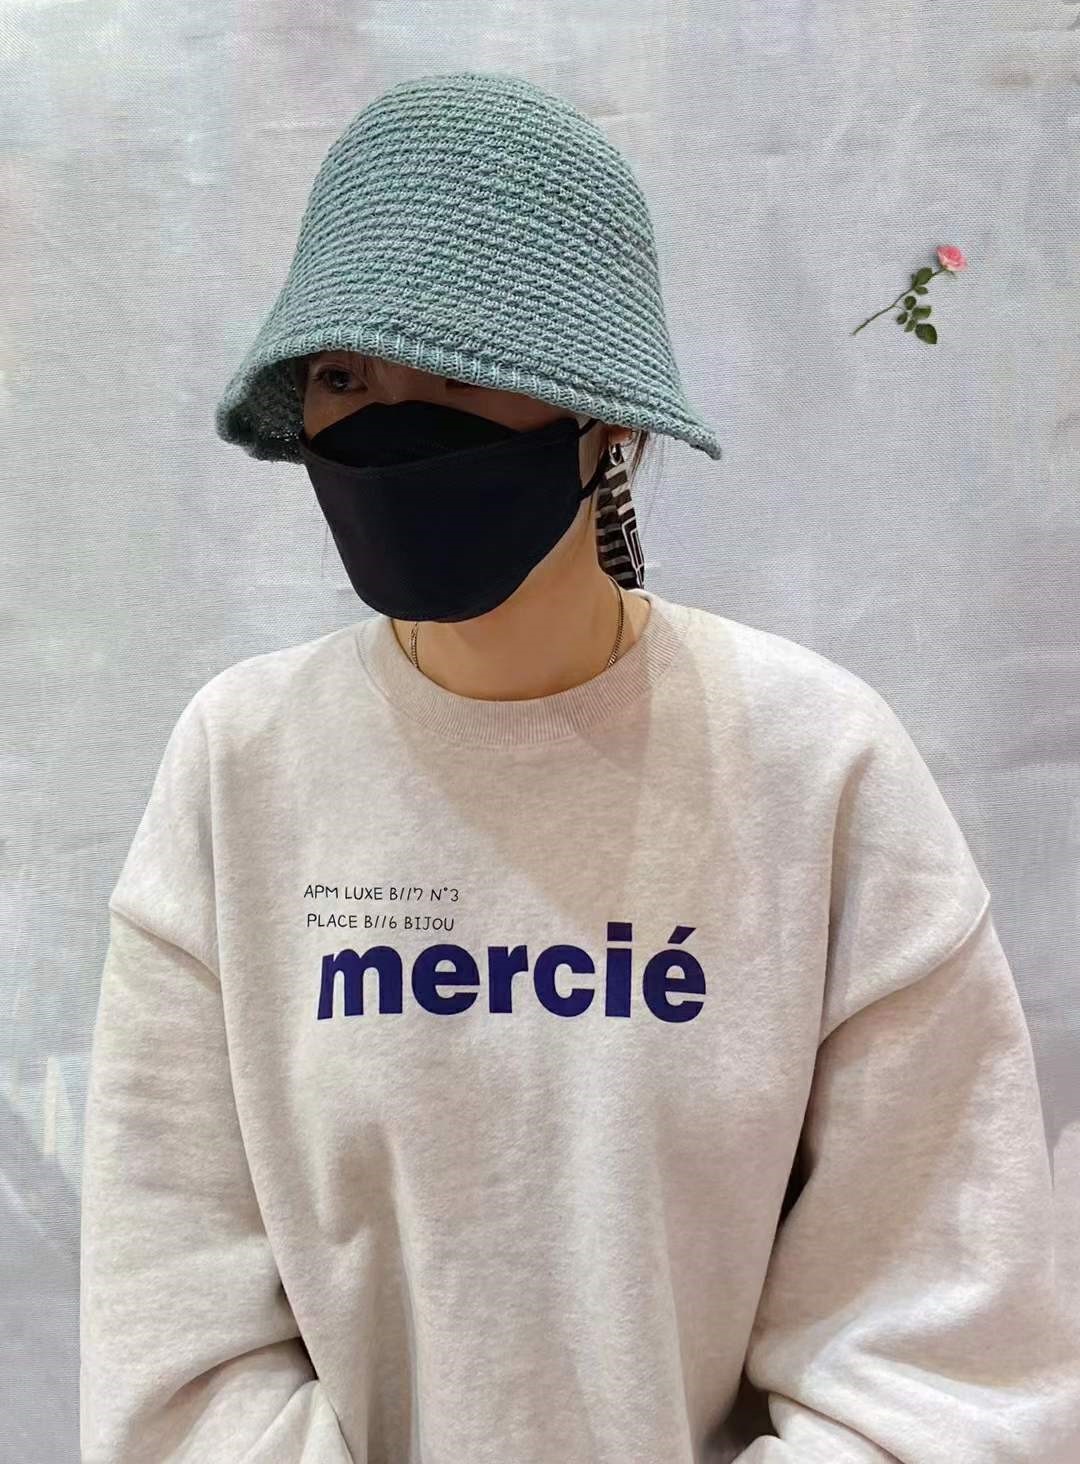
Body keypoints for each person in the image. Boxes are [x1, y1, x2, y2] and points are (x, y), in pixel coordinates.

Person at [79, 71, 1080, 1464]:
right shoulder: (241, 766)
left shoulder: (815, 767)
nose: (387, 424)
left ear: (608, 423)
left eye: (460, 375)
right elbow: (175, 1344)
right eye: (346, 376)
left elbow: (941, 1343)